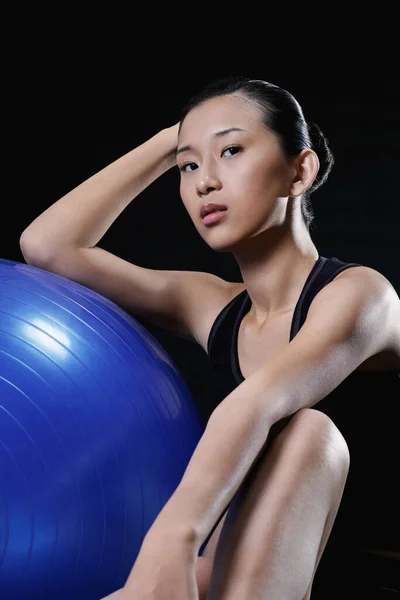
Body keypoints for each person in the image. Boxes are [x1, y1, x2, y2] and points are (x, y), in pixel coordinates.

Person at [19, 76, 400, 599]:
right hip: (237, 579)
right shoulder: (209, 305)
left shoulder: (361, 295)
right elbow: (46, 245)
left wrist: (173, 539)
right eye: (189, 166)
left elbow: (257, 404)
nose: (204, 183)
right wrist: (166, 142)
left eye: (231, 150)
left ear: (300, 169)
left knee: (306, 433)